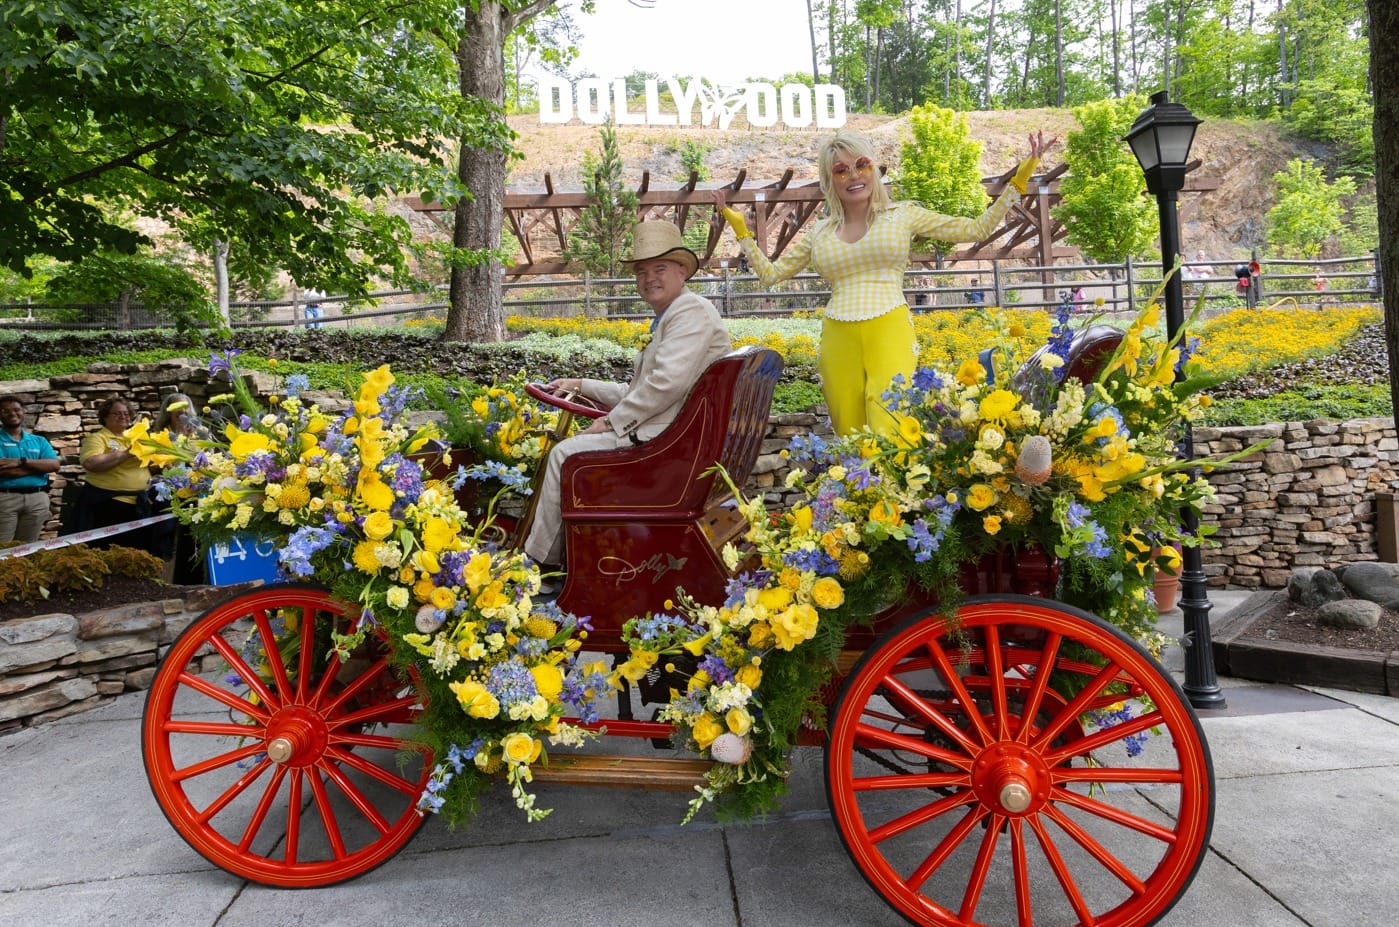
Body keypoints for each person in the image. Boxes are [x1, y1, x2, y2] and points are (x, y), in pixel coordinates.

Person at [714, 128, 1057, 435]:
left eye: (861, 165)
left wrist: (1021, 176)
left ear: (874, 169)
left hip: (889, 324)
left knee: (889, 425)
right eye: (841, 170)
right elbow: (771, 274)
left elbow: (976, 229)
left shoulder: (902, 214)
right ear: (829, 179)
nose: (853, 176)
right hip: (837, 334)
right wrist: (741, 229)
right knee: (848, 430)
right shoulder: (819, 232)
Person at [522, 221, 732, 568]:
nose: (649, 278)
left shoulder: (689, 312)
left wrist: (610, 423)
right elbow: (642, 391)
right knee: (570, 451)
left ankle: (541, 563)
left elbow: (665, 385)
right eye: (641, 271)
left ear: (682, 271)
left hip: (669, 446)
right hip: (676, 436)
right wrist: (580, 385)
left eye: (660, 268)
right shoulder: (675, 315)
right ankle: (563, 557)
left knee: (565, 455)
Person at [78, 396, 156, 552]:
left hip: (139, 503)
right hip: (109, 505)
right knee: (109, 551)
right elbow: (91, 463)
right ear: (105, 417)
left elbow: (151, 467)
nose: (123, 417)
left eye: (127, 413)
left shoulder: (136, 438)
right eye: (117, 413)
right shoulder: (98, 438)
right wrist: (126, 454)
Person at [151, 393, 209, 583]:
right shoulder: (162, 434)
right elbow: (158, 463)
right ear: (168, 412)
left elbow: (210, 457)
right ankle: (164, 575)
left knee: (192, 537)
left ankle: (193, 577)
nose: (181, 411)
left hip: (197, 489)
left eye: (184, 407)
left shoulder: (201, 431)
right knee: (166, 534)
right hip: (171, 490)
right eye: (176, 408)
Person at [0, 395, 61, 542]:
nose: (12, 414)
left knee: (28, 547)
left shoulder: (38, 441)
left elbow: (54, 465)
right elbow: (3, 470)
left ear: (24, 412)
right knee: (2, 546)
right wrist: (38, 467)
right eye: (5, 411)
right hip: (5, 499)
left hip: (37, 499)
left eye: (16, 409)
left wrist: (20, 461)